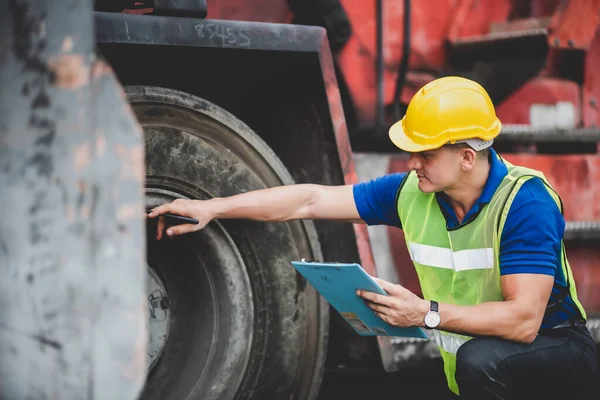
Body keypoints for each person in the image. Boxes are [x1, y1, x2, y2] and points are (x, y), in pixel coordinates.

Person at [147, 76, 598, 399]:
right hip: (480, 364)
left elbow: (522, 322)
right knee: (475, 362)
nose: (412, 161)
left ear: (466, 156)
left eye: (425, 152)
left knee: (480, 362)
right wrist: (212, 207)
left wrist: (424, 314)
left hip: (556, 354)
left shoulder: (525, 202)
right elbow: (310, 201)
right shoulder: (411, 193)